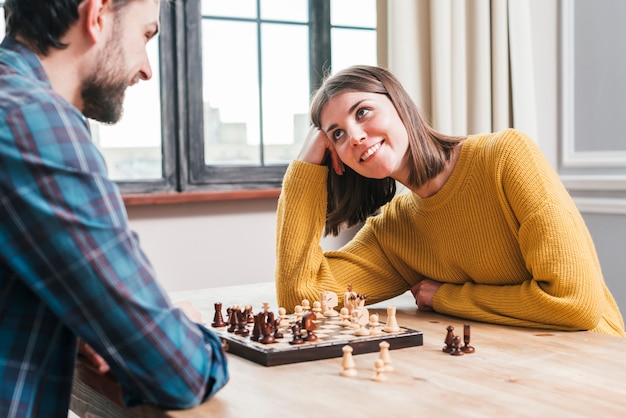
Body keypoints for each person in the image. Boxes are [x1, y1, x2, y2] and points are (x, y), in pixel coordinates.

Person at [275, 65, 626, 338]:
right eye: (336, 134)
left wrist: (445, 296)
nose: (354, 136)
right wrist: (304, 169)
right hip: (513, 373)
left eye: (363, 112)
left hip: (595, 365)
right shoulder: (394, 229)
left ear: (400, 104)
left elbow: (575, 304)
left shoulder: (505, 157)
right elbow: (301, 297)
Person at [0, 1, 228, 416]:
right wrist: (189, 326)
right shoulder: (30, 120)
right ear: (97, 15)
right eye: (145, 35)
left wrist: (81, 326)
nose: (146, 69)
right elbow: (183, 372)